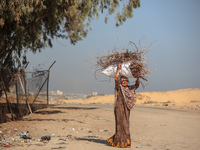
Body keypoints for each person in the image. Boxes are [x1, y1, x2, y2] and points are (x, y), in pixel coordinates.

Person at [107, 64, 140, 148]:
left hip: (126, 108)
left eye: (126, 81)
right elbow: (116, 79)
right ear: (121, 82)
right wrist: (118, 70)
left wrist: (138, 77)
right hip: (119, 108)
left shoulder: (129, 88)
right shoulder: (119, 88)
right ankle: (118, 142)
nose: (125, 82)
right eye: (123, 81)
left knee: (126, 124)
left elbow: (136, 86)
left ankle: (126, 142)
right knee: (119, 124)